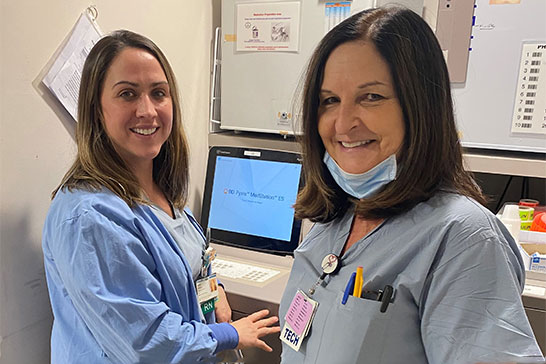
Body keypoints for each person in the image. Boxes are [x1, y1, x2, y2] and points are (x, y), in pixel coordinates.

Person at [279, 7, 544, 364]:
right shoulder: (337, 217)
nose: (343, 123)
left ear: (419, 106)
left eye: (371, 97)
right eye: (329, 101)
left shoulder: (463, 238)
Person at [42, 30, 279, 364]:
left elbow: (190, 263)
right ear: (96, 110)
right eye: (127, 94)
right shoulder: (89, 218)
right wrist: (231, 335)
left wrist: (216, 290)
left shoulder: (159, 188)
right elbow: (147, 343)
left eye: (159, 93)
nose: (148, 111)